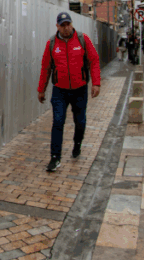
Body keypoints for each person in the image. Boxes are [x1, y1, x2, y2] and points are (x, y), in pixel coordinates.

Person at [38, 12, 101, 172]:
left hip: (80, 89)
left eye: (68, 24)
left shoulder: (82, 39)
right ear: (57, 26)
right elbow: (46, 68)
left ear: (71, 24)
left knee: (80, 122)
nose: (66, 28)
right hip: (60, 90)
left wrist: (96, 83)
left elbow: (94, 60)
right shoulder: (52, 43)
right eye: (63, 25)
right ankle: (55, 157)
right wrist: (41, 90)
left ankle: (77, 144)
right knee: (58, 122)